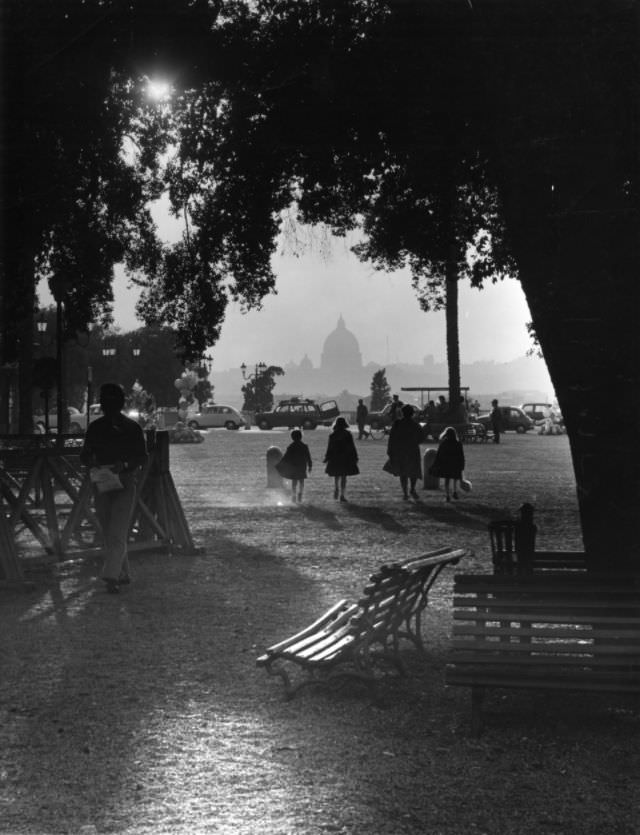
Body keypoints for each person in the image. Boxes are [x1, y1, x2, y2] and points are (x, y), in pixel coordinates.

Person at [80, 383, 147, 594]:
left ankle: (110, 576)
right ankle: (123, 572)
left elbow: (141, 457)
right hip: (107, 480)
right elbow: (85, 455)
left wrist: (124, 465)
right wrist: (92, 460)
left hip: (121, 482)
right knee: (111, 530)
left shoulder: (100, 427)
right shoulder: (130, 427)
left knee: (115, 530)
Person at [387, 404, 423, 500]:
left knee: (403, 472)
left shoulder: (397, 424)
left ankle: (405, 492)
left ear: (402, 413)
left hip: (400, 450)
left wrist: (390, 451)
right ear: (412, 414)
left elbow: (392, 438)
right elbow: (421, 437)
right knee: (413, 471)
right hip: (413, 450)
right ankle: (412, 488)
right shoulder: (415, 425)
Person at [324, 417, 359, 501]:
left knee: (336, 475)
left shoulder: (332, 435)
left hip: (335, 457)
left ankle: (336, 488)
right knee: (344, 476)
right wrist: (355, 456)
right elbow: (352, 447)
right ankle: (342, 495)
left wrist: (327, 457)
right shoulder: (348, 434)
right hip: (345, 457)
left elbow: (330, 447)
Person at [276, 429, 313, 503]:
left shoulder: (291, 446)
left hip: (294, 467)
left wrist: (279, 464)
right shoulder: (304, 446)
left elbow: (286, 457)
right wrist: (310, 465)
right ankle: (300, 495)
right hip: (302, 466)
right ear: (301, 437)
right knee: (301, 481)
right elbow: (308, 457)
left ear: (292, 437)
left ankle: (294, 496)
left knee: (294, 482)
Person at [431, 426, 465, 502]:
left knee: (447, 479)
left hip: (446, 464)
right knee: (455, 478)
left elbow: (439, 455)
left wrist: (435, 464)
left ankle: (447, 495)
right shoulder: (458, 443)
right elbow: (461, 455)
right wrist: (462, 465)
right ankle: (455, 491)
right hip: (455, 464)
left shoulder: (443, 443)